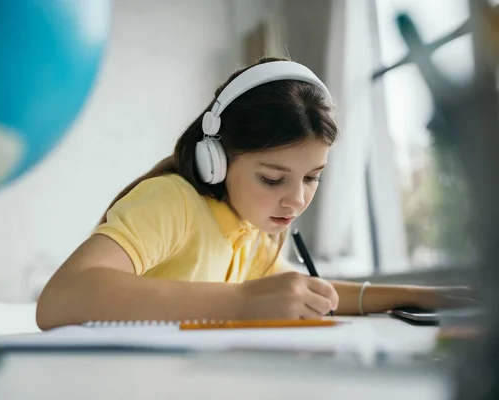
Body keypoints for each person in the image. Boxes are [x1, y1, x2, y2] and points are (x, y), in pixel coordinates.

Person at [36, 57, 468, 330]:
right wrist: (243, 300)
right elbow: (61, 299)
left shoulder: (253, 228)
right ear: (216, 161)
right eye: (273, 179)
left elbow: (305, 292)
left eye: (312, 177)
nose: (296, 200)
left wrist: (422, 296)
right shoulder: (172, 202)